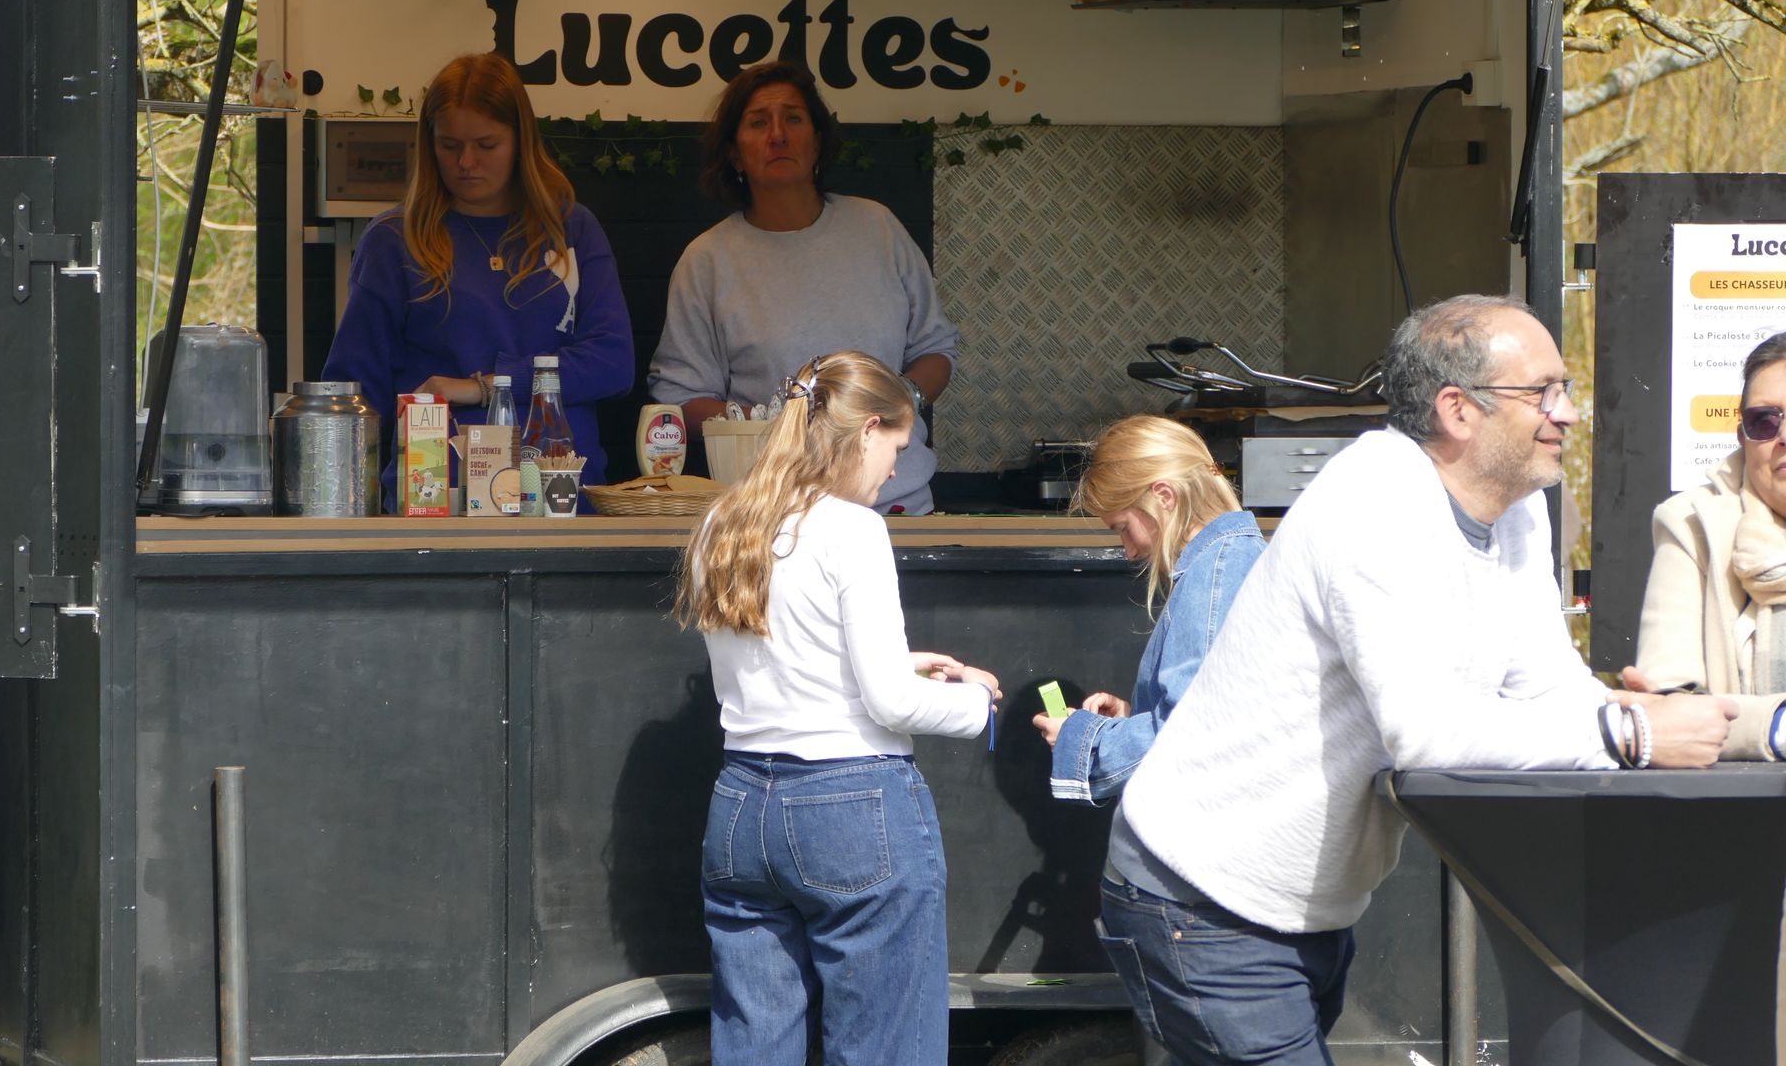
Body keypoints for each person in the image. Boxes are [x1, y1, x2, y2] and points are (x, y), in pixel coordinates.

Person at [1094, 294, 1737, 1066]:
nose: (1567, 413)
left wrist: (1647, 713)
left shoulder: (1518, 511)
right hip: (1199, 903)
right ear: (1457, 410)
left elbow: (1545, 687)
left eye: (1564, 390)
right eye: (1543, 392)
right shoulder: (1373, 502)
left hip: (1299, 912)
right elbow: (1426, 734)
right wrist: (1628, 733)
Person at [675, 351, 1000, 1065]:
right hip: (851, 809)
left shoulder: (723, 520)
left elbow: (770, 659)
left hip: (741, 808)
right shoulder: (853, 528)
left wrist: (903, 660)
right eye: (896, 449)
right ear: (867, 430)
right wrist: (976, 703)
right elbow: (890, 702)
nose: (894, 471)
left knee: (754, 1045)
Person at [322, 52, 633, 504]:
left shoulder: (571, 228)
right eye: (449, 145)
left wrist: (484, 386)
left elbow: (613, 363)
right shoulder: (393, 239)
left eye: (486, 145)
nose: (466, 162)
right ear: (428, 144)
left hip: (559, 496)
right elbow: (355, 393)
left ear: (521, 141)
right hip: (435, 500)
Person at [648, 61, 958, 514]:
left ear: (817, 142)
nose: (778, 135)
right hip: (770, 517)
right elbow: (680, 399)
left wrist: (899, 402)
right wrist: (775, 423)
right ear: (734, 154)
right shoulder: (707, 260)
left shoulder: (878, 227)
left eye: (793, 118)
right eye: (758, 123)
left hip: (897, 508)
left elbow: (936, 349)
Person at [1032, 415, 1263, 805]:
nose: (1128, 551)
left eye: (1123, 527)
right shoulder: (1230, 562)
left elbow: (1191, 736)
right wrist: (1129, 721)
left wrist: (1084, 741)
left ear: (1165, 496)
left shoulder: (1216, 575)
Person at [1635, 331, 1786, 760]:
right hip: (1746, 795)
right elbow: (1668, 706)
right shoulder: (1692, 524)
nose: (1783, 436)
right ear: (1743, 437)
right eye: (1765, 420)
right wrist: (1775, 726)